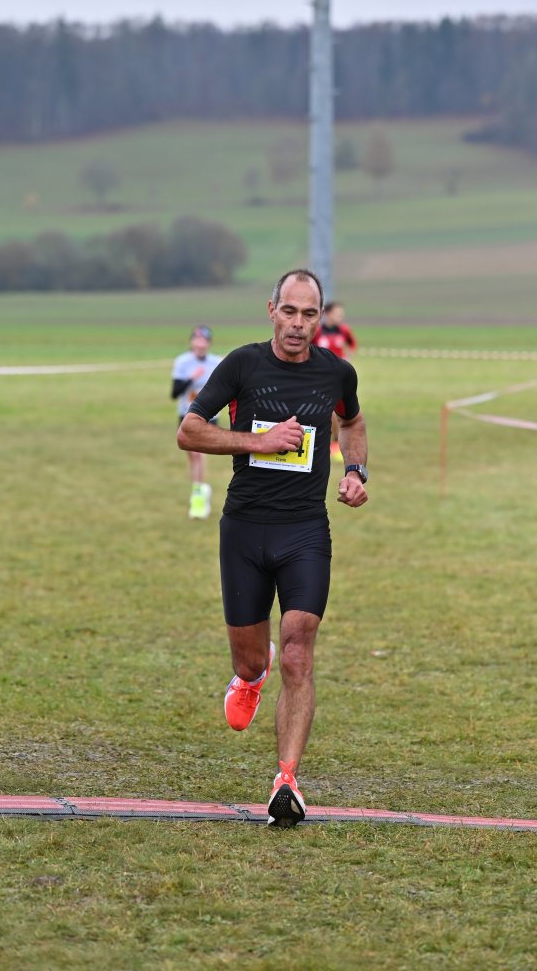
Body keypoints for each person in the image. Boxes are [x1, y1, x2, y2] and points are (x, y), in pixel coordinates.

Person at [177, 269, 369, 827]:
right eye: (289, 311)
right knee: (254, 658)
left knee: (298, 651)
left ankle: (286, 779)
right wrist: (258, 441)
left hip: (305, 530)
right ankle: (250, 678)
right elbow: (190, 430)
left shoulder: (337, 372)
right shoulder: (242, 365)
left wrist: (355, 471)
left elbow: (353, 422)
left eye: (309, 314)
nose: (298, 324)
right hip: (244, 530)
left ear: (319, 317)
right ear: (272, 310)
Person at [171, 326, 222, 519]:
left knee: (197, 453)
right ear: (192, 342)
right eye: (197, 340)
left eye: (204, 341)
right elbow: (175, 392)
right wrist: (192, 378)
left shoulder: (216, 362)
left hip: (209, 416)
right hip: (187, 415)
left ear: (208, 343)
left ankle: (198, 498)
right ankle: (200, 489)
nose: (200, 344)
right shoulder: (182, 362)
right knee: (193, 456)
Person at [315, 300, 358, 461]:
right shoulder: (318, 332)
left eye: (342, 314)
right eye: (337, 314)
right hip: (320, 378)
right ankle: (324, 443)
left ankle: (334, 445)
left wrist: (348, 358)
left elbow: (352, 344)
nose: (341, 317)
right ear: (327, 313)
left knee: (338, 413)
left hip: (338, 379)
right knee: (324, 412)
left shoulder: (344, 330)